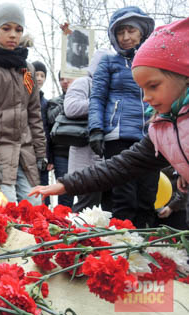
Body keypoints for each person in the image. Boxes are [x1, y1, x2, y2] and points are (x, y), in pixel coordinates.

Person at [30, 17, 189, 228]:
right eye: (142, 89)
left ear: (183, 76)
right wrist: (65, 184)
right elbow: (120, 166)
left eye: (153, 86)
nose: (145, 98)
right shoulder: (161, 130)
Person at [0, 2, 46, 206]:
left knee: (35, 207)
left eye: (18, 29)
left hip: (25, 153)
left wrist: (41, 153)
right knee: (6, 207)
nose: (13, 34)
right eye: (6, 28)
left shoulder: (27, 70)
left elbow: (34, 112)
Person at [87, 6, 156, 227]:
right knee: (124, 199)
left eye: (131, 31)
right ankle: (121, 252)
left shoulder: (154, 63)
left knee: (147, 199)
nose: (125, 37)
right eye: (120, 32)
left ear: (142, 32)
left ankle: (147, 253)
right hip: (118, 137)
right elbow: (97, 98)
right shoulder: (108, 62)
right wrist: (96, 129)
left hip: (150, 137)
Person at [64, 50, 112, 212]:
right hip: (85, 158)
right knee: (86, 207)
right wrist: (100, 103)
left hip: (106, 159)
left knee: (105, 209)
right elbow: (70, 107)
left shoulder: (113, 87)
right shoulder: (84, 82)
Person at [46, 72, 75, 207]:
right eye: (61, 79)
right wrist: (68, 100)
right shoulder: (54, 102)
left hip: (79, 150)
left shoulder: (85, 99)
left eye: (67, 77)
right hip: (61, 153)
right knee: (64, 193)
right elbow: (51, 119)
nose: (64, 81)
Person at [32, 60, 52, 205]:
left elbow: (48, 131)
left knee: (44, 186)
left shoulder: (46, 103)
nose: (39, 78)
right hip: (26, 150)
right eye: (36, 74)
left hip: (43, 153)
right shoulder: (23, 99)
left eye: (42, 75)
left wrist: (49, 157)